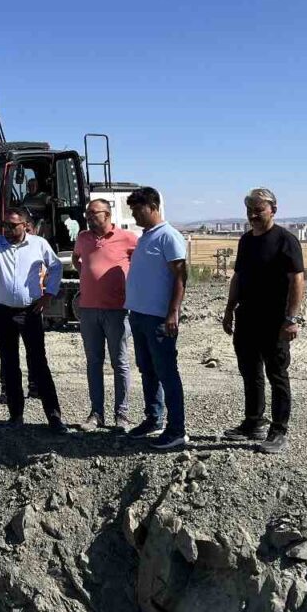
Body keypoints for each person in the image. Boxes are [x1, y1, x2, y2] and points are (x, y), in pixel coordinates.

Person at [0, 208, 66, 432]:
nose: (6, 229)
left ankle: (54, 417)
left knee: (38, 363)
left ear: (25, 226)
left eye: (12, 226)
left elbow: (55, 266)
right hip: (2, 312)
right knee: (9, 363)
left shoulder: (38, 244)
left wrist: (48, 295)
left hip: (30, 312)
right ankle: (16, 416)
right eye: (5, 225)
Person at [221, 188, 305, 455]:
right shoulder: (246, 241)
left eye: (259, 210)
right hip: (247, 318)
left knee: (277, 374)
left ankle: (279, 431)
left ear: (273, 210)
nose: (253, 215)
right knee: (250, 372)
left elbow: (297, 280)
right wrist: (229, 308)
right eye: (250, 210)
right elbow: (238, 276)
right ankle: (253, 422)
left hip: (275, 321)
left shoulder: (285, 241)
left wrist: (291, 318)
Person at [123, 187, 189, 450]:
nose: (135, 215)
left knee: (167, 373)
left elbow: (181, 277)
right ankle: (154, 419)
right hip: (139, 316)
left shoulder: (169, 237)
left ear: (152, 206)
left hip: (159, 319)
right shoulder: (146, 237)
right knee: (148, 370)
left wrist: (173, 312)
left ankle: (177, 430)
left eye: (138, 209)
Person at [72, 198, 137, 431]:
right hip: (88, 310)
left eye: (93, 213)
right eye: (87, 214)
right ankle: (96, 414)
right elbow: (76, 260)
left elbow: (140, 265)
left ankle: (122, 415)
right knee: (93, 363)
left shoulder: (127, 238)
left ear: (107, 215)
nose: (88, 218)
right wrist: (88, 279)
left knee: (119, 363)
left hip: (117, 311)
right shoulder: (83, 238)